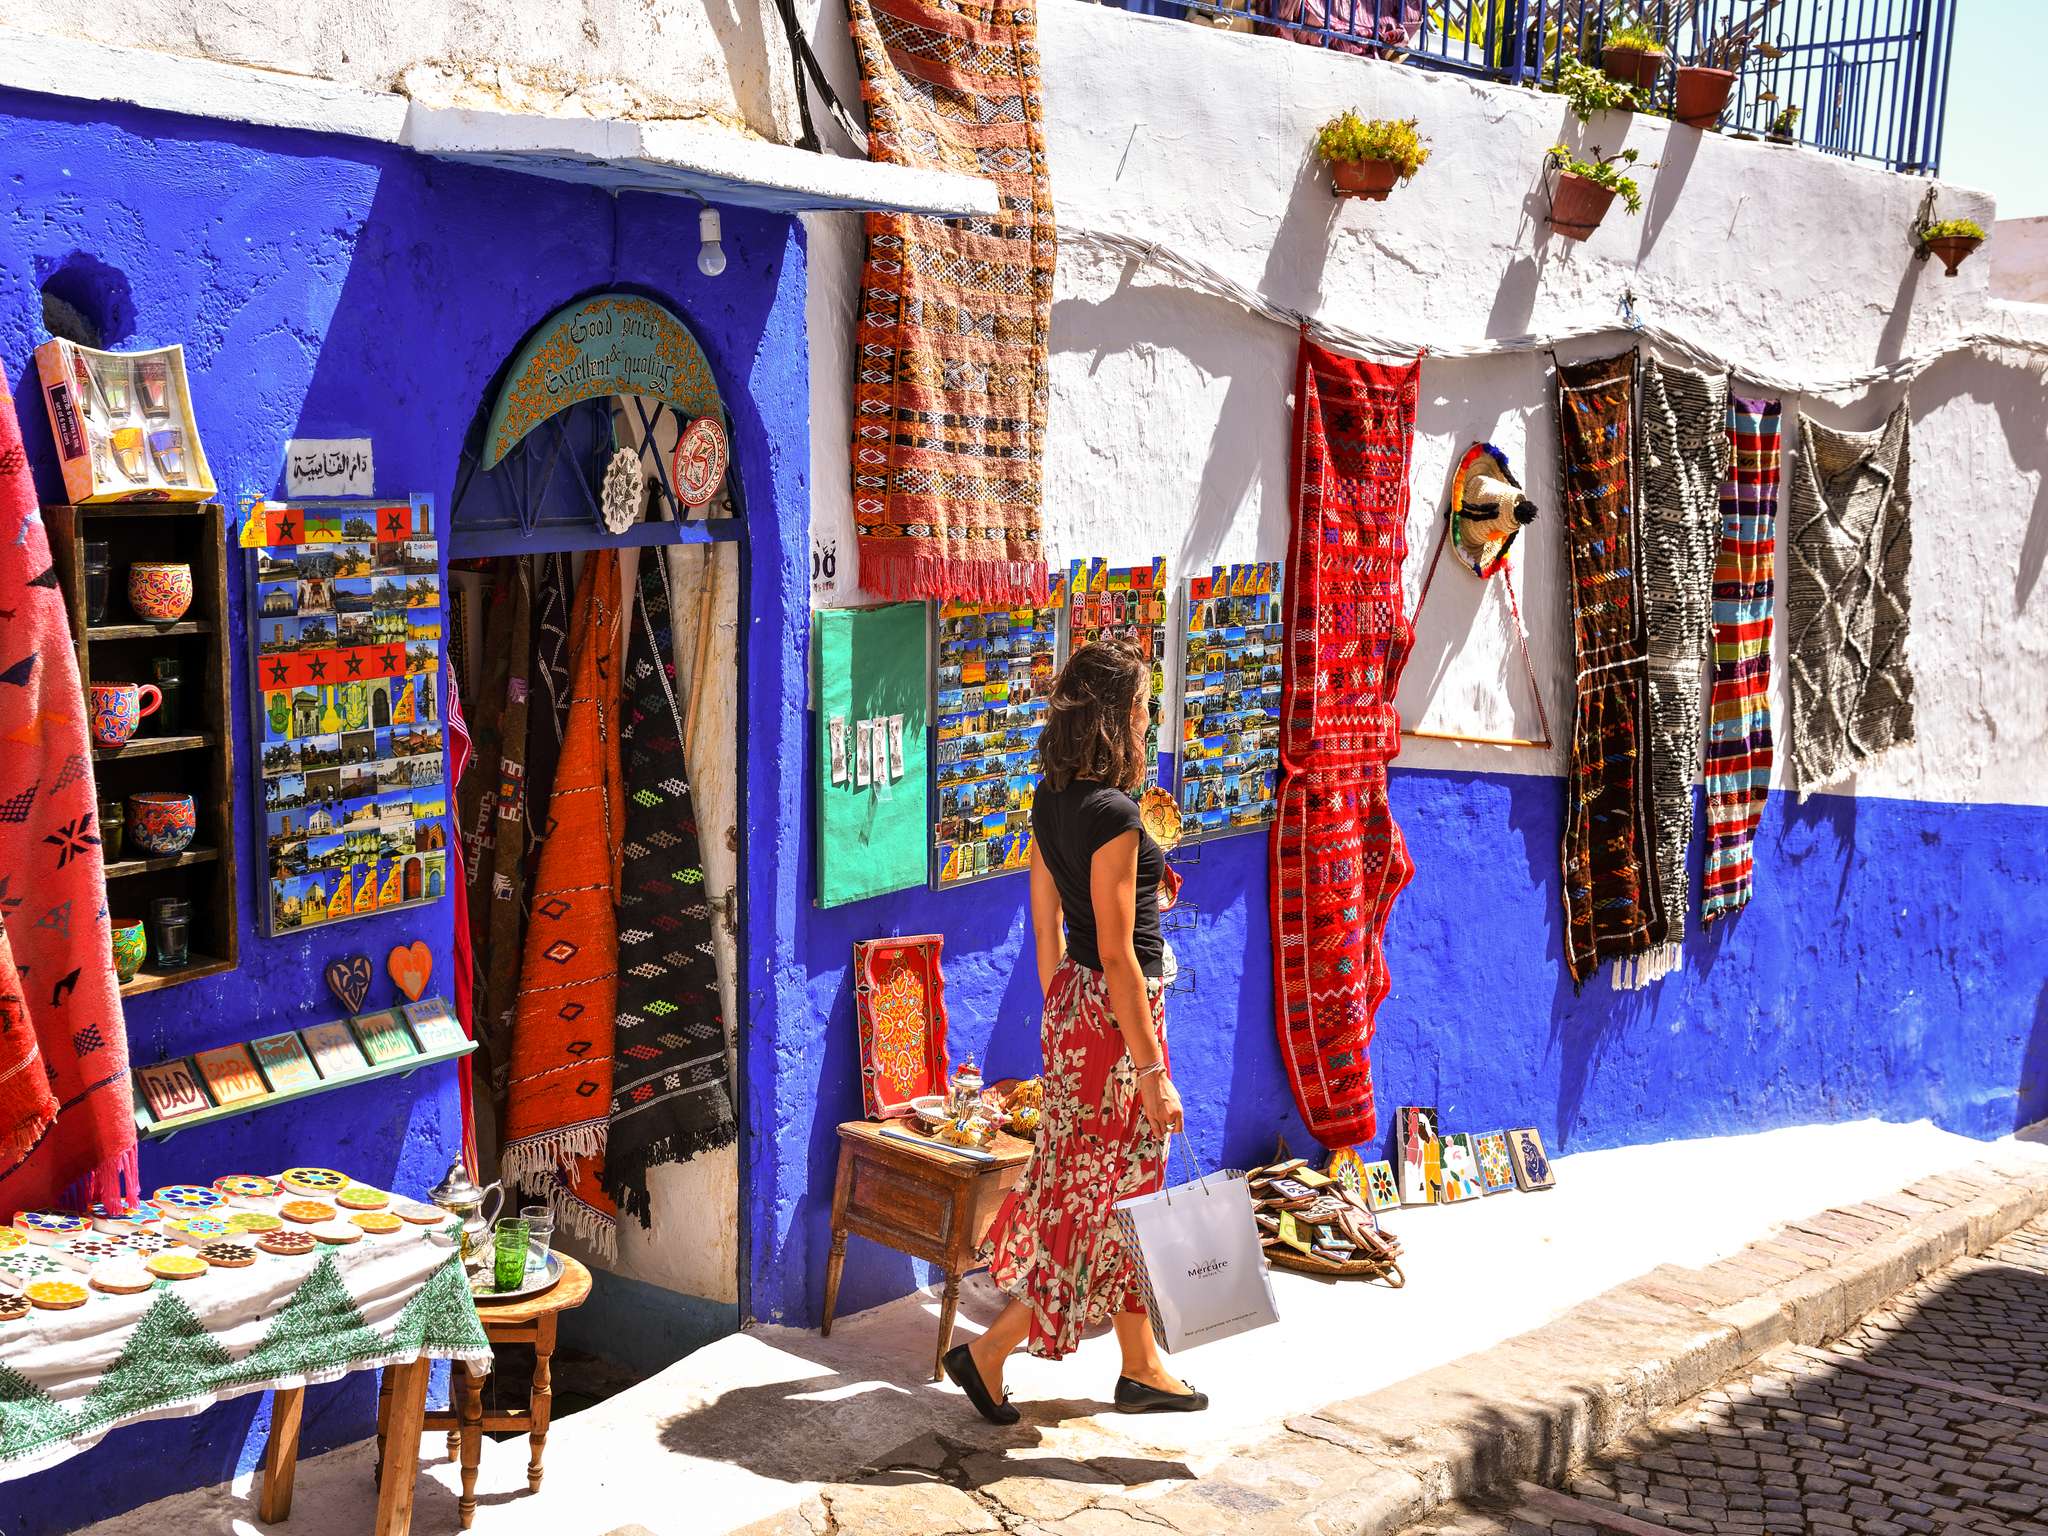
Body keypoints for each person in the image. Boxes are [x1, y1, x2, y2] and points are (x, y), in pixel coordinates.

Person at [942, 639, 1208, 1423]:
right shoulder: (1115, 817)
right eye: (1143, 705)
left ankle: (1141, 1362)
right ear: (1118, 716)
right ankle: (988, 1353)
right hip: (1121, 1021)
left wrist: (1066, 995)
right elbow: (1124, 954)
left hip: (1079, 1013)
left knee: (1111, 1193)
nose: (1149, 716)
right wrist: (1153, 1071)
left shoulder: (1054, 801)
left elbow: (1044, 912)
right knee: (1094, 1203)